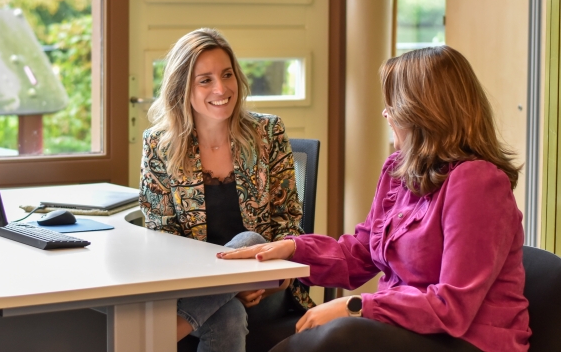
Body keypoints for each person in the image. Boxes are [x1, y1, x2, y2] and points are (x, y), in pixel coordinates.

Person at [219, 45, 531, 352]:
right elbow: (361, 254)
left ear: (422, 111)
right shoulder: (398, 169)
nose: (385, 113)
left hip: (467, 340)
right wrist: (293, 250)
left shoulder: (477, 181)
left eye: (393, 103)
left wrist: (354, 306)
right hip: (411, 331)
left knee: (341, 334)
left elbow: (452, 308)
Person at [139, 28, 314, 352]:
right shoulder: (159, 145)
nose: (221, 88)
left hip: (265, 285)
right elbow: (161, 238)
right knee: (228, 312)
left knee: (251, 241)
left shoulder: (268, 133)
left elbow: (289, 228)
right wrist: (229, 286)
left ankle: (163, 335)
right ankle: (206, 304)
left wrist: (254, 279)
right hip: (192, 287)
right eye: (205, 80)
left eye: (227, 74)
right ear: (183, 87)